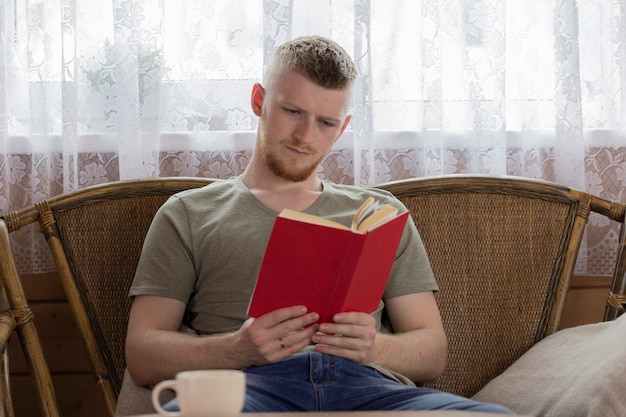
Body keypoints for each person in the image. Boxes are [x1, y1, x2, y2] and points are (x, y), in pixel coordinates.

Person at [122, 35, 513, 414]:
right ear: (259, 101)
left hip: (368, 390)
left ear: (342, 129)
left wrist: (374, 347)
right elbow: (142, 354)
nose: (305, 136)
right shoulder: (189, 213)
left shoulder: (379, 212)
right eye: (292, 112)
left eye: (326, 122)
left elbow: (432, 352)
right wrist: (237, 347)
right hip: (250, 388)